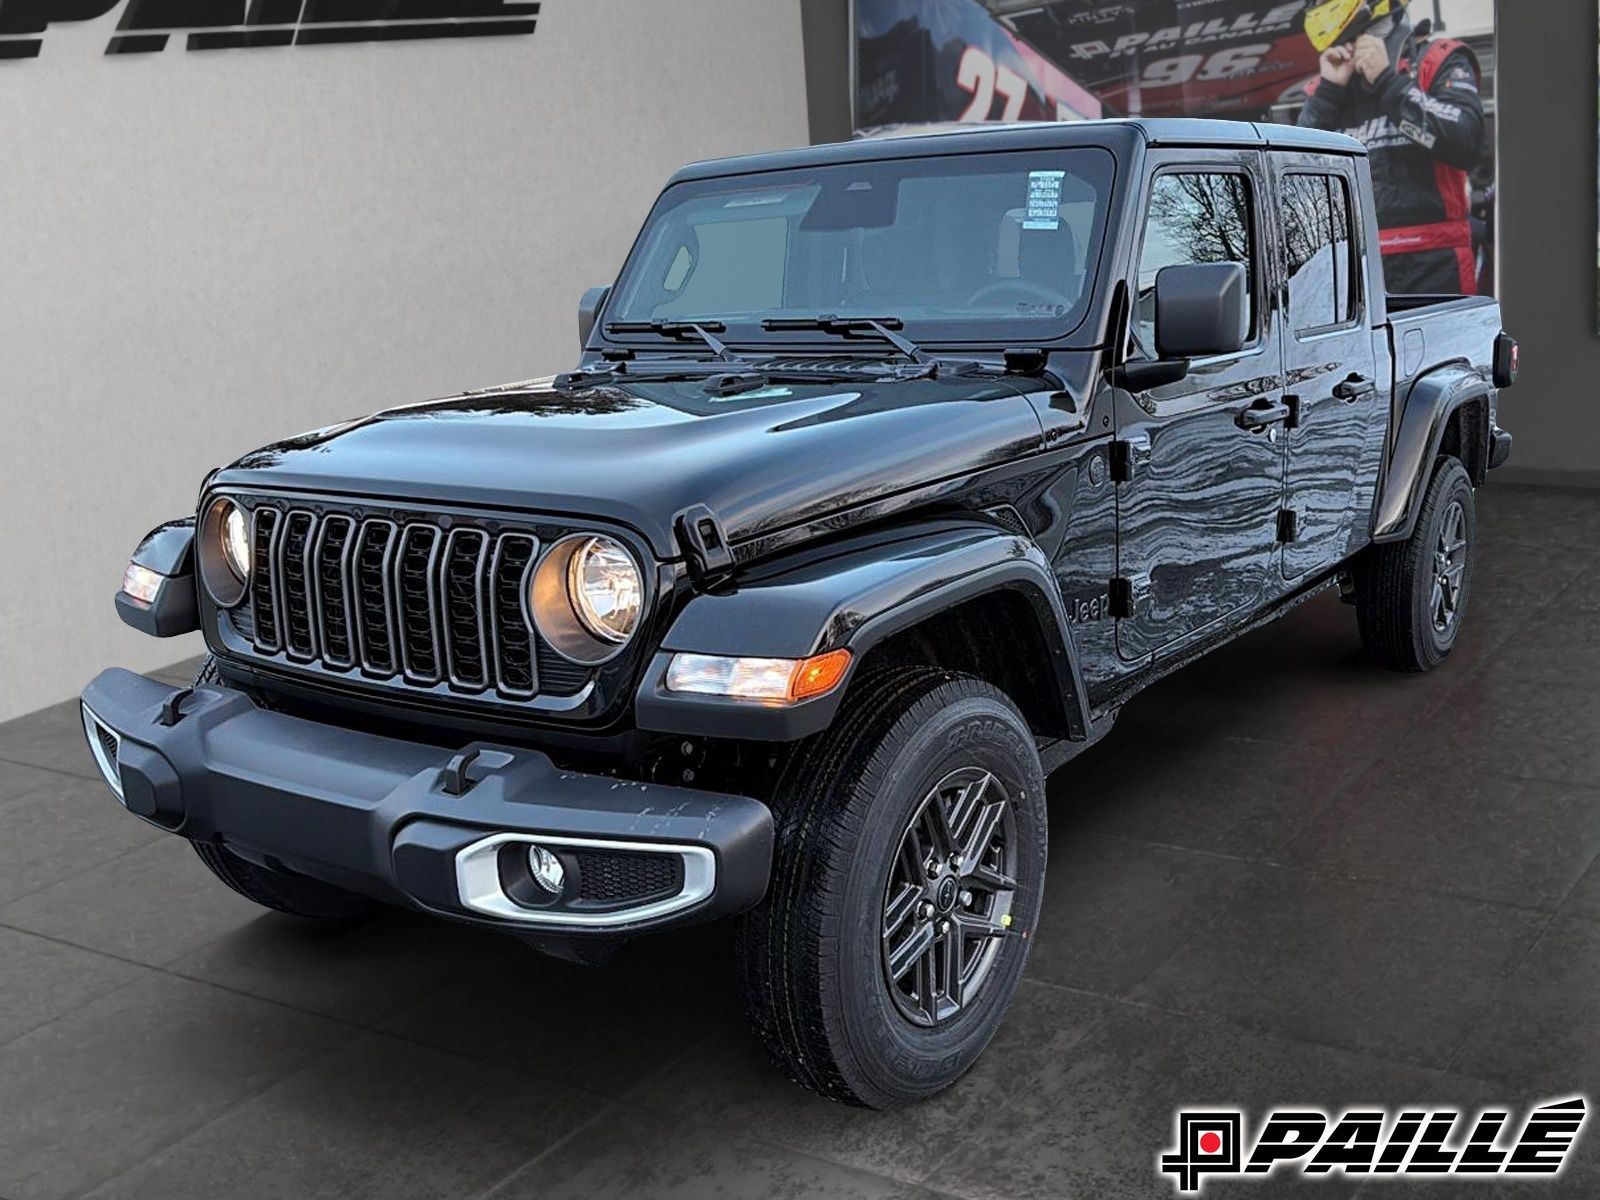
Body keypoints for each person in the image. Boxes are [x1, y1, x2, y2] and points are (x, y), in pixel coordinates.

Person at [1298, 0, 1487, 294]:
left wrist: (1388, 83)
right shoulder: (1326, 86)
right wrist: (1327, 96)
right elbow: (1298, 182)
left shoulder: (1435, 59)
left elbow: (1467, 144)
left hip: (1436, 262)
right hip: (1356, 265)